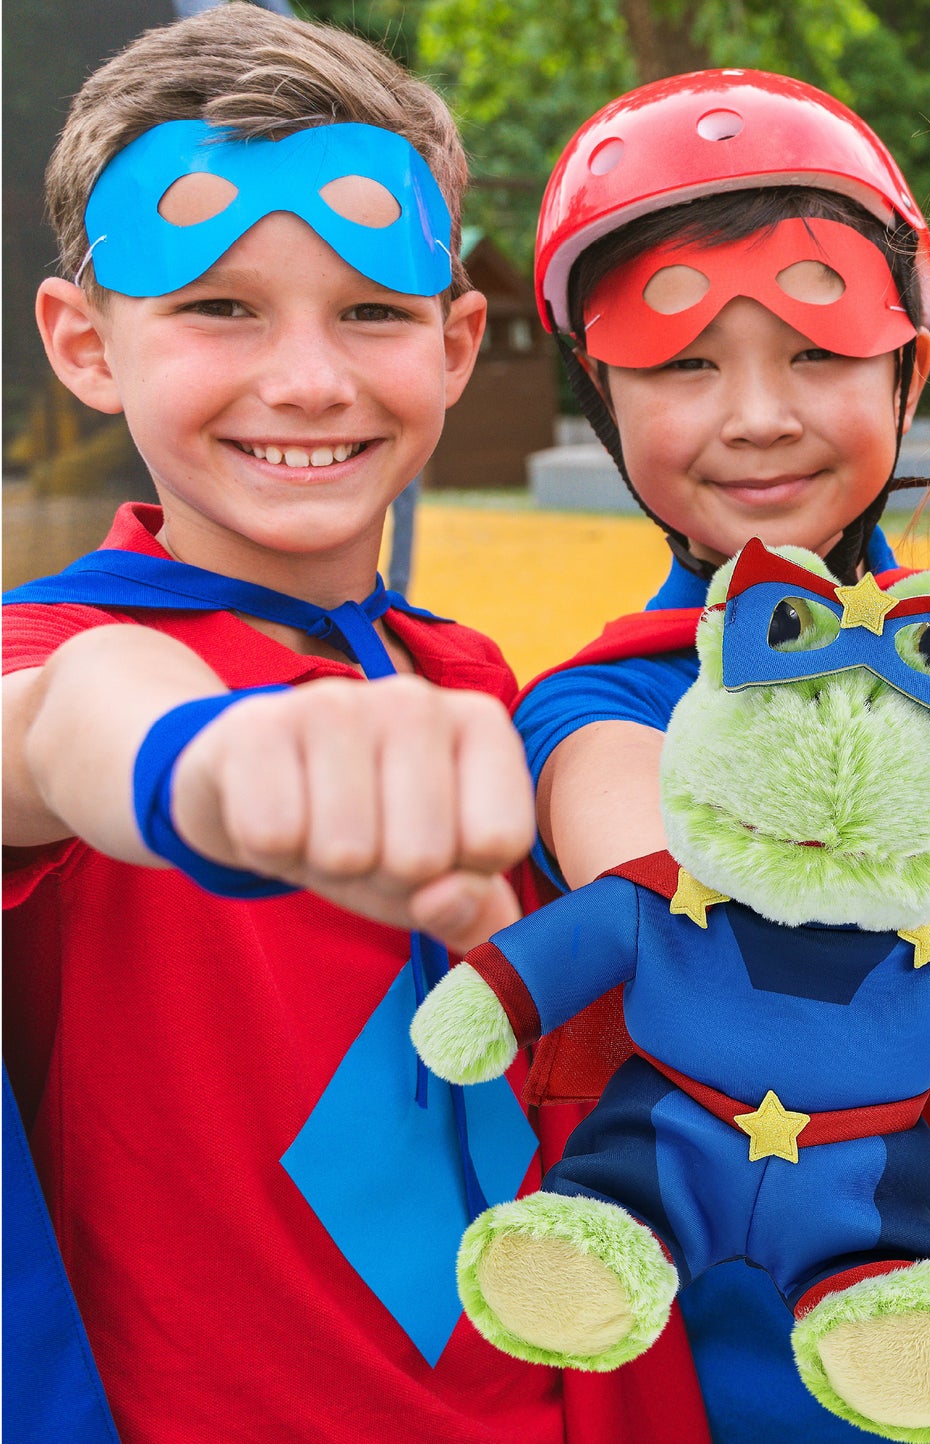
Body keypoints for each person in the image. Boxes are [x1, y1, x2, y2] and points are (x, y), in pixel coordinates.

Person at [0, 9, 706, 1442]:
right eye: (218, 307)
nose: (311, 380)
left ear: (455, 345)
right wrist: (194, 765)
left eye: (372, 311)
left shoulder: (470, 678)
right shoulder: (62, 652)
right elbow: (54, 730)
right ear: (84, 345)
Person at [511, 70, 930, 1444]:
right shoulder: (604, 699)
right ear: (600, 390)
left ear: (910, 361)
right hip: (735, 1398)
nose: (755, 415)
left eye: (817, 350)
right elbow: (648, 861)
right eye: (682, 363)